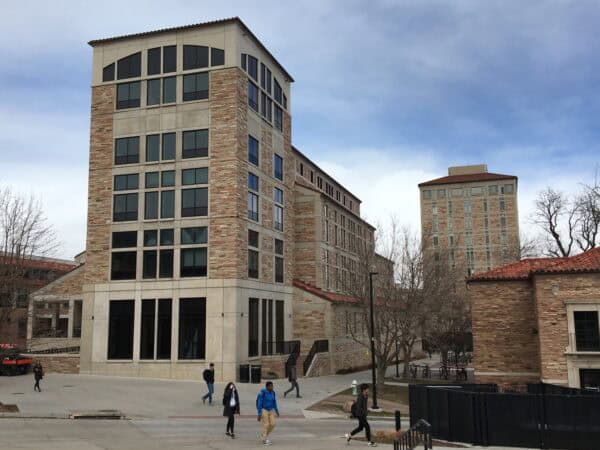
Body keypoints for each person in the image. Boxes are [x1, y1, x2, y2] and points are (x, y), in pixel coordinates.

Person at [257, 381, 280, 446]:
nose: (271, 387)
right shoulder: (262, 393)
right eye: (270, 386)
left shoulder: (273, 392)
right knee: (266, 424)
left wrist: (277, 410)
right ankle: (264, 439)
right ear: (267, 387)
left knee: (273, 424)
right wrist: (259, 414)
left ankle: (264, 435)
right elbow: (259, 403)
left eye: (272, 386)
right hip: (264, 410)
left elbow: (274, 401)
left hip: (271, 409)